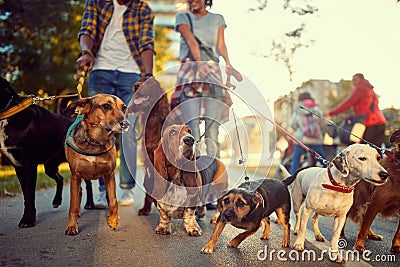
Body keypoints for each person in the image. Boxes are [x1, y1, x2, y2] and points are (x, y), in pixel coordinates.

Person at [76, 0, 155, 207]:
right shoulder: (96, 2)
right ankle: (103, 190)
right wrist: (86, 51)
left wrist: (147, 75)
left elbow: (147, 43)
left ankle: (126, 188)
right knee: (99, 129)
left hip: (131, 74)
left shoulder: (142, 8)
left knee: (126, 128)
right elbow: (88, 30)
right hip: (101, 70)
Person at [170, 0, 241, 158]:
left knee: (212, 129)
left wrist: (228, 65)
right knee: (192, 127)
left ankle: (214, 174)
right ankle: (194, 172)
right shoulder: (183, 17)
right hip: (190, 71)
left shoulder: (218, 19)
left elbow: (221, 46)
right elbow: (191, 41)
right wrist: (199, 63)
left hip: (213, 73)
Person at [328, 73, 386, 147]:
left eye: (355, 80)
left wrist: (331, 113)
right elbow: (366, 108)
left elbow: (349, 102)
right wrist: (350, 116)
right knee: (376, 149)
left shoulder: (360, 88)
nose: (353, 82)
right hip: (380, 122)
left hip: (370, 123)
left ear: (361, 79)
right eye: (352, 80)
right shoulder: (370, 90)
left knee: (364, 148)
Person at [289, 92, 327, 174]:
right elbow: (322, 124)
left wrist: (300, 129)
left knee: (296, 159)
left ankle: (291, 178)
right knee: (321, 159)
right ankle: (331, 175)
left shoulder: (298, 109)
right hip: (315, 139)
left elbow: (293, 124)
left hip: (301, 140)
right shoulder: (316, 109)